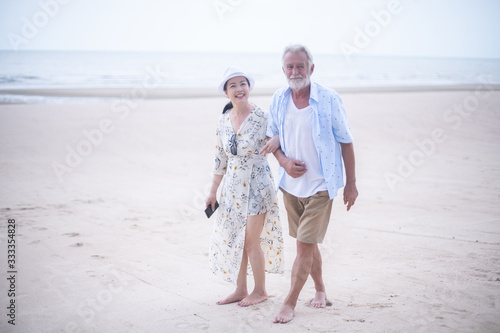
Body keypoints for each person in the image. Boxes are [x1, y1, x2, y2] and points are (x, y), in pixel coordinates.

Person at [260, 45, 358, 323]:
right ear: (283, 70)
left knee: (303, 244)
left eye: (300, 66)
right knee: (309, 244)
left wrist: (351, 184)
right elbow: (273, 137)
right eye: (290, 66)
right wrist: (284, 162)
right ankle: (320, 290)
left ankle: (289, 302)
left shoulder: (328, 99)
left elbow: (346, 141)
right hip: (290, 186)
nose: (295, 71)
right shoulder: (279, 98)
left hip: (321, 185)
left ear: (311, 68)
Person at [206, 67, 284, 307]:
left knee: (251, 241)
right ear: (226, 92)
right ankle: (241, 289)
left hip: (258, 184)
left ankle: (260, 290)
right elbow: (221, 158)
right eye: (233, 86)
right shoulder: (223, 119)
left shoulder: (262, 116)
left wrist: (277, 140)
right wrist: (212, 191)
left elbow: (284, 133)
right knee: (237, 239)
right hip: (231, 187)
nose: (239, 89)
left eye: (243, 84)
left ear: (249, 87)